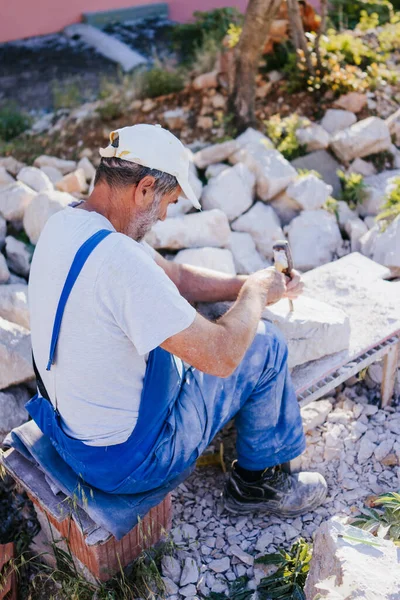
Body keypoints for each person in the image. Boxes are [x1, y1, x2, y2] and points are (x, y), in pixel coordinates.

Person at [27, 124, 327, 516]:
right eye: (168, 201)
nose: (165, 216)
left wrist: (255, 283)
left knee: (215, 316)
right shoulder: (120, 262)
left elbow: (177, 278)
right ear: (145, 187)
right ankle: (259, 485)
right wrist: (254, 295)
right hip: (131, 465)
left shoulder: (67, 225)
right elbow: (222, 357)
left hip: (73, 439)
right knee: (264, 344)